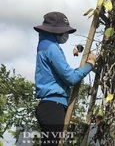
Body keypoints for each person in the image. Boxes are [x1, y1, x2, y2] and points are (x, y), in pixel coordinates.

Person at [33, 11, 96, 145]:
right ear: (55, 31)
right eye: (64, 31)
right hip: (52, 107)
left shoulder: (45, 45)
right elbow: (71, 78)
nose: (66, 35)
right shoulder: (51, 48)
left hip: (52, 106)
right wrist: (89, 65)